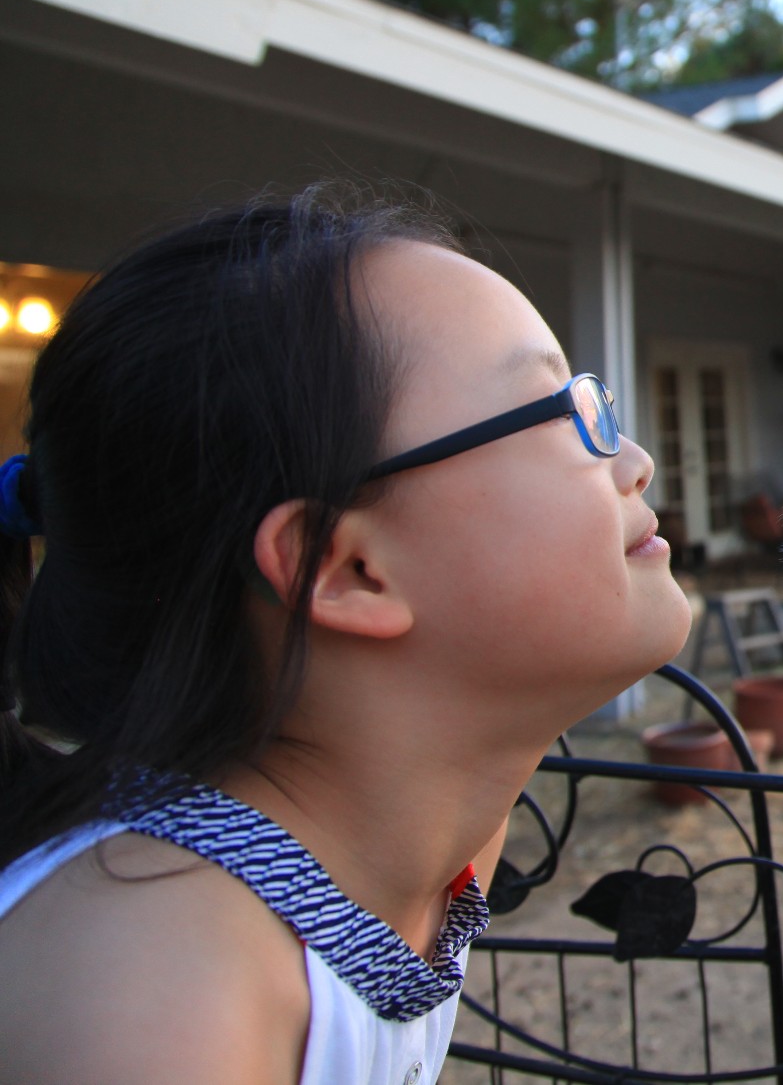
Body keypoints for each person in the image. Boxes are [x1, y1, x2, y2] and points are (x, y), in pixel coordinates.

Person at [0, 190, 691, 1083]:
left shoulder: (428, 840)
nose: (634, 460)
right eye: (562, 412)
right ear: (345, 567)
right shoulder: (155, 994)